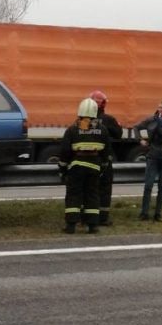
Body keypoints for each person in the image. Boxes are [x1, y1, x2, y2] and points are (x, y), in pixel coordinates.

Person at [58, 98, 114, 234]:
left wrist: (63, 170)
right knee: (93, 195)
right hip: (94, 167)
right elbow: (107, 152)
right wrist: (103, 167)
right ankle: (93, 226)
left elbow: (65, 152)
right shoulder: (102, 129)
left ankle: (71, 226)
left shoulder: (73, 129)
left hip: (76, 167)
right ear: (95, 111)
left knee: (73, 195)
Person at [133, 99, 162, 222]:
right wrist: (140, 140)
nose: (160, 110)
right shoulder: (151, 119)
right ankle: (144, 213)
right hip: (153, 155)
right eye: (159, 107)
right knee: (148, 185)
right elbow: (136, 127)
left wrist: (158, 128)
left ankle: (158, 214)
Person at [89, 90, 123, 226]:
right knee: (104, 189)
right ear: (103, 105)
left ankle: (87, 216)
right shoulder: (108, 120)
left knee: (90, 189)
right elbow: (118, 134)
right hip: (104, 160)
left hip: (88, 160)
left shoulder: (83, 121)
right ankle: (102, 218)